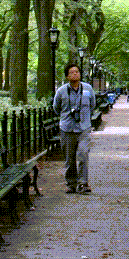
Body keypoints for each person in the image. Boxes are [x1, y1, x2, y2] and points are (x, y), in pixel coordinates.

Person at [52, 62, 97, 193]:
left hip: (84, 127)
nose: (75, 74)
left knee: (83, 154)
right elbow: (56, 108)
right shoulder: (61, 91)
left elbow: (92, 105)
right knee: (69, 157)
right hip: (67, 128)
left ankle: (83, 183)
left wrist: (85, 117)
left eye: (77, 71)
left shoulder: (88, 89)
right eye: (71, 72)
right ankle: (71, 183)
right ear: (67, 76)